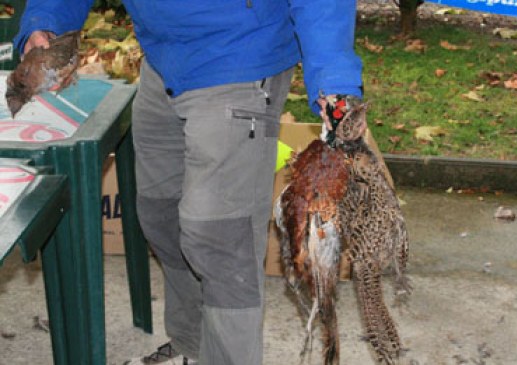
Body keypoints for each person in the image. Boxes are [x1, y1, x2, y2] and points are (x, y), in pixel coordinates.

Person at [15, 1, 363, 364]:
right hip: (164, 58)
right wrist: (46, 21)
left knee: (220, 238)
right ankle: (192, 347)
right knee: (161, 214)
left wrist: (334, 77)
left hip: (239, 57)